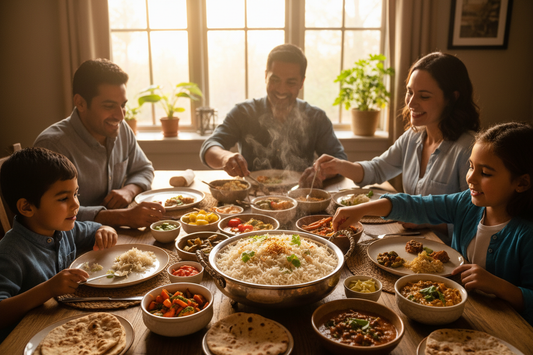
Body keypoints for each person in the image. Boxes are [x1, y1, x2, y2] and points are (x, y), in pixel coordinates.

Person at [333, 122, 533, 325]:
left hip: (501, 326)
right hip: (457, 311)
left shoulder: (527, 235)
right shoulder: (466, 203)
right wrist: (362, 209)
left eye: (486, 173)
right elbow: (419, 206)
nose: (471, 177)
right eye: (471, 167)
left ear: (522, 183)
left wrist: (497, 285)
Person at [308, 52, 480, 243]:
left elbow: (476, 219)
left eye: (423, 96)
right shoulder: (413, 137)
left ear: (452, 98)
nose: (411, 103)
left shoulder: (468, 150)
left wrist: (429, 222)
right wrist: (339, 165)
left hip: (445, 252)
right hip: (410, 242)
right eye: (410, 92)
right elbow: (377, 169)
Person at [0, 147, 118, 337]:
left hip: (63, 324)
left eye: (76, 194)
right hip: (24, 340)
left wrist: (106, 230)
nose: (76, 205)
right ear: (27, 207)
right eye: (64, 198)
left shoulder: (62, 228)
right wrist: (48, 289)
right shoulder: (10, 254)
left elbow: (96, 229)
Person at [34, 59, 164, 228]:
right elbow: (51, 212)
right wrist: (121, 218)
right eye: (109, 106)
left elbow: (144, 169)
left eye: (123, 105)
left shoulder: (122, 128)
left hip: (115, 235)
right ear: (80, 103)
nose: (120, 116)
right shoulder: (53, 146)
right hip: (72, 244)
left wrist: (128, 190)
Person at [199, 43, 347, 178]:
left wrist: (321, 174)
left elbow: (340, 161)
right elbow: (210, 147)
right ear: (265, 76)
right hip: (252, 198)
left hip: (299, 197)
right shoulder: (243, 112)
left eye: (291, 82)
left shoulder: (316, 117)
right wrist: (225, 158)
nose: (281, 90)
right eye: (275, 80)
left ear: (302, 83)